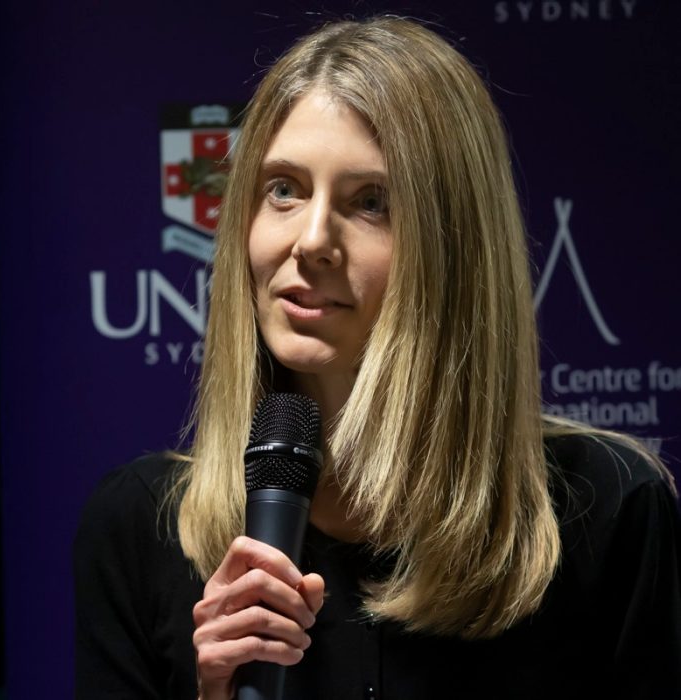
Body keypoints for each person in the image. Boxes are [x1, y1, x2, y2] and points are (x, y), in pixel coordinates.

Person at [73, 15, 681, 700]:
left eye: (371, 202)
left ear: (455, 250)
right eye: (284, 189)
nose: (311, 240)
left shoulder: (610, 508)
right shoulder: (137, 524)